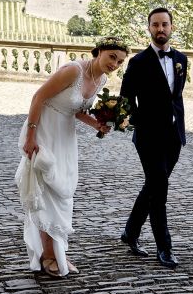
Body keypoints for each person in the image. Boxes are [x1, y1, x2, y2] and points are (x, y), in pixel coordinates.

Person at [15, 37, 129, 277]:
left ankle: (58, 250)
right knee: (46, 189)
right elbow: (39, 97)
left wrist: (97, 125)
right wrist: (30, 138)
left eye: (119, 61)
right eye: (111, 57)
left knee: (63, 190)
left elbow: (75, 110)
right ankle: (48, 255)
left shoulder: (102, 80)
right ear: (99, 52)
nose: (114, 64)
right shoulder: (73, 71)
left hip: (65, 136)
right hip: (44, 129)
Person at [120, 8, 187, 269]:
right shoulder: (138, 62)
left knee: (153, 185)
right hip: (148, 137)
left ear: (171, 27)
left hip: (173, 136)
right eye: (156, 25)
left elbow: (176, 97)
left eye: (165, 24)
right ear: (149, 28)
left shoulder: (181, 59)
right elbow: (126, 99)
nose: (161, 29)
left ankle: (130, 231)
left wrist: (178, 125)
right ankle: (164, 247)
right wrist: (138, 121)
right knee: (160, 190)